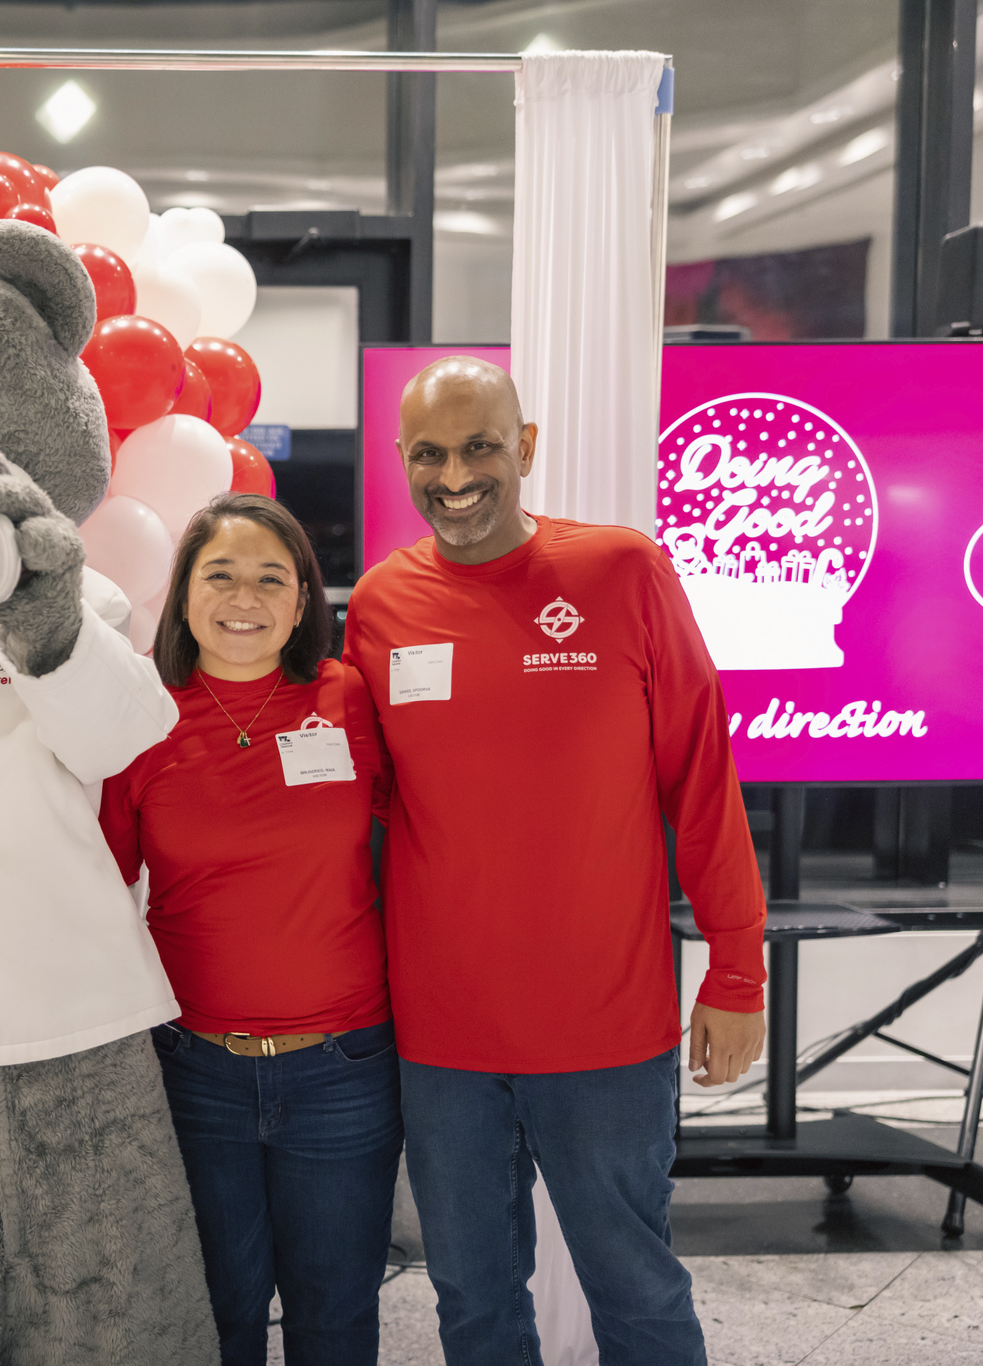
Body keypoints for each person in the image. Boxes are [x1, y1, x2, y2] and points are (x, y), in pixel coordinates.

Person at [343, 355, 767, 1365]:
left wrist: (737, 969)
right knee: (471, 1301)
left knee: (636, 1290)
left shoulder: (621, 570)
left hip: (604, 1031)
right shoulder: (377, 605)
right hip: (441, 1035)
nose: (454, 477)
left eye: (479, 446)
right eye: (428, 455)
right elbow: (364, 816)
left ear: (524, 446)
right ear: (400, 461)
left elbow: (701, 779)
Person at [100, 494, 400, 1366]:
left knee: (335, 1320)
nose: (246, 596)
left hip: (343, 1070)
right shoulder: (140, 716)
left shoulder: (350, 701)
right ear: (183, 595)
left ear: (304, 600)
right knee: (214, 1319)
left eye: (273, 578)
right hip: (195, 1074)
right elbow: (98, 883)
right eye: (220, 574)